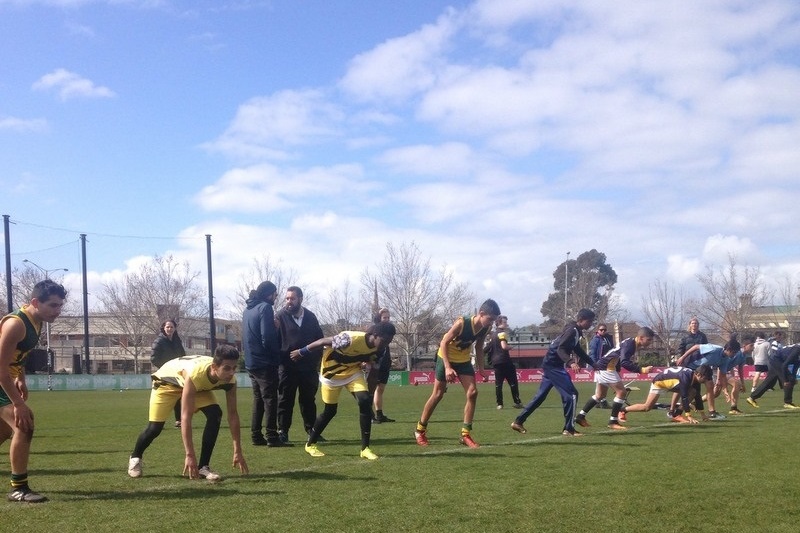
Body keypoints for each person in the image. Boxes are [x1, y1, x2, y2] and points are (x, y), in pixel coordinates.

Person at [127, 347, 248, 481]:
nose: (231, 373)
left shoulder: (230, 381)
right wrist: (189, 455)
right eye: (227, 368)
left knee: (215, 414)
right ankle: (135, 457)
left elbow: (233, 414)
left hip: (197, 386)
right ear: (214, 367)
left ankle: (203, 467)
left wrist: (237, 450)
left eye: (234, 368)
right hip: (166, 384)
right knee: (155, 427)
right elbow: (185, 416)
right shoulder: (196, 375)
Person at [0, 280, 66, 503]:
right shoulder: (16, 324)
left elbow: (19, 355)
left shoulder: (37, 321)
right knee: (24, 423)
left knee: (3, 432)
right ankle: (18, 488)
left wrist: (20, 379)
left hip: (5, 378)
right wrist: (18, 403)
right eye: (53, 306)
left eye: (60, 306)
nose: (58, 311)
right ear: (35, 302)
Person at [295, 321, 396, 460]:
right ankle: (310, 444)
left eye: (389, 342)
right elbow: (323, 341)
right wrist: (302, 351)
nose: (386, 345)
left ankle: (365, 449)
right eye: (385, 341)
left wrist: (369, 396)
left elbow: (373, 373)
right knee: (330, 411)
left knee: (365, 402)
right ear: (375, 335)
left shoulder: (380, 350)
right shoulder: (349, 339)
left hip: (353, 373)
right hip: (331, 375)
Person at [414, 299, 500, 448]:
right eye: (490, 319)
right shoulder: (462, 323)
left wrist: (482, 369)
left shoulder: (485, 328)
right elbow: (444, 342)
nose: (491, 323)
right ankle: (420, 430)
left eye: (493, 320)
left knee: (472, 393)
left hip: (463, 361)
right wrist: (447, 367)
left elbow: (479, 347)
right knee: (438, 394)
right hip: (445, 357)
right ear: (481, 314)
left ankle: (465, 434)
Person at [511, 308, 597, 437]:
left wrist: (593, 363)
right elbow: (561, 349)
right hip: (554, 366)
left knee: (540, 397)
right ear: (580, 320)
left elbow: (577, 349)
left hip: (550, 364)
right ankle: (569, 429)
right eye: (589, 321)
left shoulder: (576, 331)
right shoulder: (572, 331)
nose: (591, 324)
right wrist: (570, 362)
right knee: (572, 394)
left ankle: (518, 422)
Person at [575, 327, 654, 430]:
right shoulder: (630, 344)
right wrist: (642, 370)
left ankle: (580, 417)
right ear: (641, 337)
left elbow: (619, 357)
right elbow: (624, 362)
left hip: (602, 366)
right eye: (649, 340)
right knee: (621, 392)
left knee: (600, 395)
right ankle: (613, 421)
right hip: (606, 367)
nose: (650, 342)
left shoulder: (631, 342)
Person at [275, 286, 324, 444]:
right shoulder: (280, 317)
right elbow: (275, 342)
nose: (289, 301)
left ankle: (312, 431)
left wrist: (315, 360)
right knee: (285, 400)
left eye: (292, 298)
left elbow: (319, 340)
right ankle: (283, 431)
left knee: (308, 400)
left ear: (300, 299)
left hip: (308, 368)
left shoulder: (311, 317)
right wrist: (281, 360)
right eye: (287, 298)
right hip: (287, 368)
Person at [242, 281, 285, 447]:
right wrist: (277, 357)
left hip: (251, 363)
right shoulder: (265, 308)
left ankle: (256, 436)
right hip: (265, 363)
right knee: (270, 399)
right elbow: (266, 337)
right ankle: (272, 437)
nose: (276, 297)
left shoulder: (247, 309)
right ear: (269, 293)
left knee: (258, 399)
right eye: (275, 294)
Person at [675, 336, 744, 419]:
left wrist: (725, 390)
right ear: (729, 349)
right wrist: (683, 357)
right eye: (734, 352)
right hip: (689, 365)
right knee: (684, 389)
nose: (735, 355)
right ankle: (673, 410)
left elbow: (722, 374)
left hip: (702, 370)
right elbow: (696, 347)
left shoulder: (726, 359)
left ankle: (712, 412)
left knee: (710, 386)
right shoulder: (715, 349)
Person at [621, 365, 713, 424]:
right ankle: (623, 410)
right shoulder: (686, 378)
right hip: (659, 383)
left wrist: (703, 415)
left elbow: (698, 397)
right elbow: (684, 397)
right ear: (699, 375)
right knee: (647, 407)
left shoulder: (694, 378)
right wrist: (689, 416)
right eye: (706, 378)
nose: (706, 381)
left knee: (693, 392)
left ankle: (676, 415)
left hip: (671, 383)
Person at [150, 319, 187, 428]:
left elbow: (183, 355)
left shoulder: (177, 341)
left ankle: (179, 420)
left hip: (177, 373)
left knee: (180, 396)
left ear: (175, 328)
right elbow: (154, 358)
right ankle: (156, 422)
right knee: (162, 398)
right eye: (167, 327)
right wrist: (166, 367)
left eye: (171, 327)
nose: (169, 329)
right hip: (164, 374)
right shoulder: (159, 341)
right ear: (163, 328)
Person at [746, 344, 800, 410]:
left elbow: (796, 365)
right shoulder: (797, 350)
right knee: (789, 380)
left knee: (769, 382)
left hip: (776, 360)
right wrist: (786, 380)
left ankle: (751, 398)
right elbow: (784, 365)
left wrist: (794, 377)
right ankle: (788, 402)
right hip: (776, 360)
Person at [486, 315, 522, 410]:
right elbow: (504, 346)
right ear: (499, 323)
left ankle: (499, 404)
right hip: (505, 361)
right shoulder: (502, 333)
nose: (507, 324)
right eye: (505, 322)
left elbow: (487, 348)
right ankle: (517, 402)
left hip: (496, 362)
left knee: (498, 384)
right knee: (513, 382)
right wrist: (510, 347)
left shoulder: (493, 335)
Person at [368, 308, 395, 423]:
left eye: (388, 317)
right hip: (374, 364)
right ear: (379, 318)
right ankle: (369, 416)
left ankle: (379, 415)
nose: (387, 319)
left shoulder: (388, 330)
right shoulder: (373, 329)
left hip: (385, 364)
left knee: (380, 389)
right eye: (385, 317)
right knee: (371, 390)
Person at [588, 323, 615, 408]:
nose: (603, 331)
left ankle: (600, 401)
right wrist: (595, 364)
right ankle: (600, 401)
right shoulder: (595, 340)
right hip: (599, 364)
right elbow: (593, 353)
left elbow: (612, 350)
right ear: (597, 330)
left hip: (608, 364)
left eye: (605, 330)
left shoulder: (609, 338)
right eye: (601, 330)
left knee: (604, 382)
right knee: (600, 382)